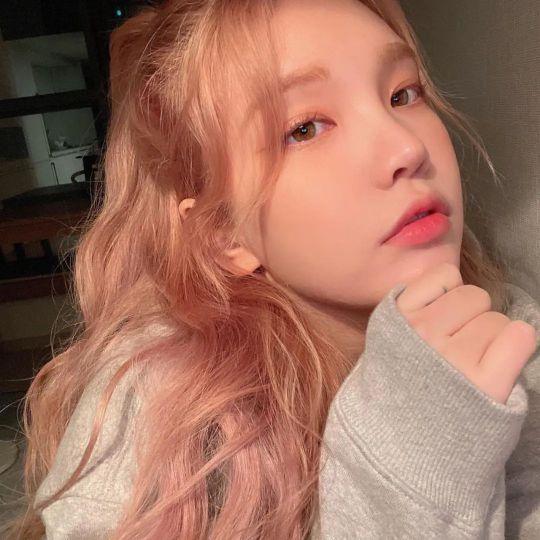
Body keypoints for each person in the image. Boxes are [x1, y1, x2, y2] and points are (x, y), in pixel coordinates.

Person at [4, 0, 539, 538]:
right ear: (222, 233)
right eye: (304, 128)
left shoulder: (513, 331)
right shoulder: (163, 405)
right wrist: (411, 469)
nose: (408, 147)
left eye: (403, 94)